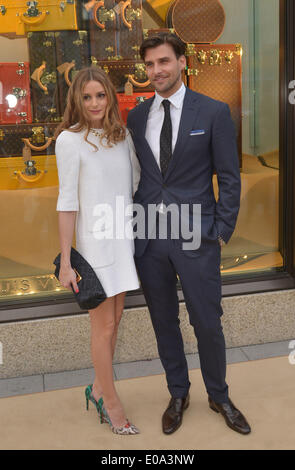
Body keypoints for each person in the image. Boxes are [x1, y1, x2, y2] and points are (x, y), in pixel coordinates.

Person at [127, 33, 251, 435]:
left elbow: (230, 178)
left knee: (207, 322)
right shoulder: (137, 116)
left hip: (197, 237)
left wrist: (220, 229)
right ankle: (178, 392)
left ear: (182, 62)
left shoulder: (212, 112)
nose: (156, 71)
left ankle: (219, 394)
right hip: (150, 241)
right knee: (164, 321)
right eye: (149, 65)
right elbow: (139, 178)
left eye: (163, 62)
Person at [55, 67, 140, 435]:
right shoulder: (69, 140)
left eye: (100, 95)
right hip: (94, 247)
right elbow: (67, 202)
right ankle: (111, 403)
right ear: (76, 99)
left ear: (110, 98)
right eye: (86, 97)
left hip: (121, 240)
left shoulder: (122, 137)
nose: (94, 103)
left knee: (115, 322)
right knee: (103, 327)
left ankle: (97, 388)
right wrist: (67, 260)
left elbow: (135, 182)